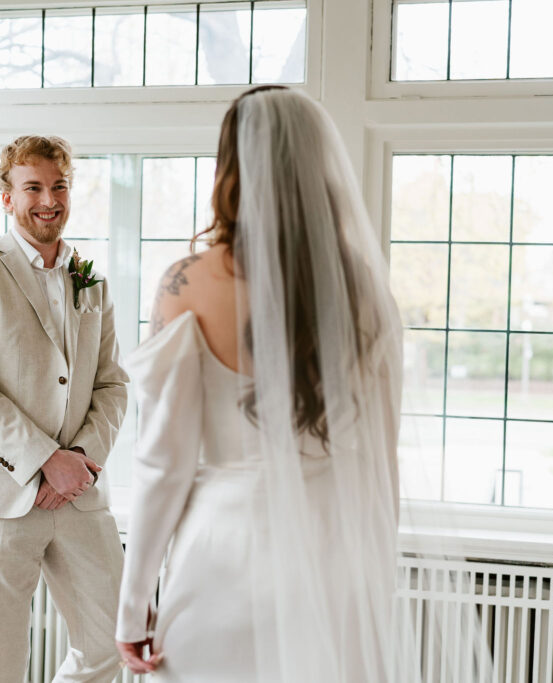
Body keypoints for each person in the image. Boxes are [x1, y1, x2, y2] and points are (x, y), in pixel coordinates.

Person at [115, 87, 491, 682]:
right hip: (332, 560)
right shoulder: (364, 287)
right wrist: (371, 583)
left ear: (230, 166)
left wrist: (132, 606)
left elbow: (162, 463)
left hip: (222, 553)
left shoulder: (188, 282)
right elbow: (380, 457)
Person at [0, 135, 128, 683]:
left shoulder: (92, 280)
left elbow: (112, 385)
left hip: (80, 496)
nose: (49, 199)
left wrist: (80, 460)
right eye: (33, 187)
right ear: (6, 196)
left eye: (59, 186)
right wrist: (46, 458)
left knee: (112, 640)